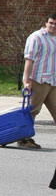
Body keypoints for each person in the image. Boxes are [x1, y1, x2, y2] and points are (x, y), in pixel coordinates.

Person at [19, 13, 56, 149]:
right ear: (46, 23)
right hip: (38, 80)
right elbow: (29, 60)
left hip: (53, 81)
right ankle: (24, 139)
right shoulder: (36, 38)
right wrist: (26, 80)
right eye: (51, 23)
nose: (53, 26)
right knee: (32, 110)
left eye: (55, 24)